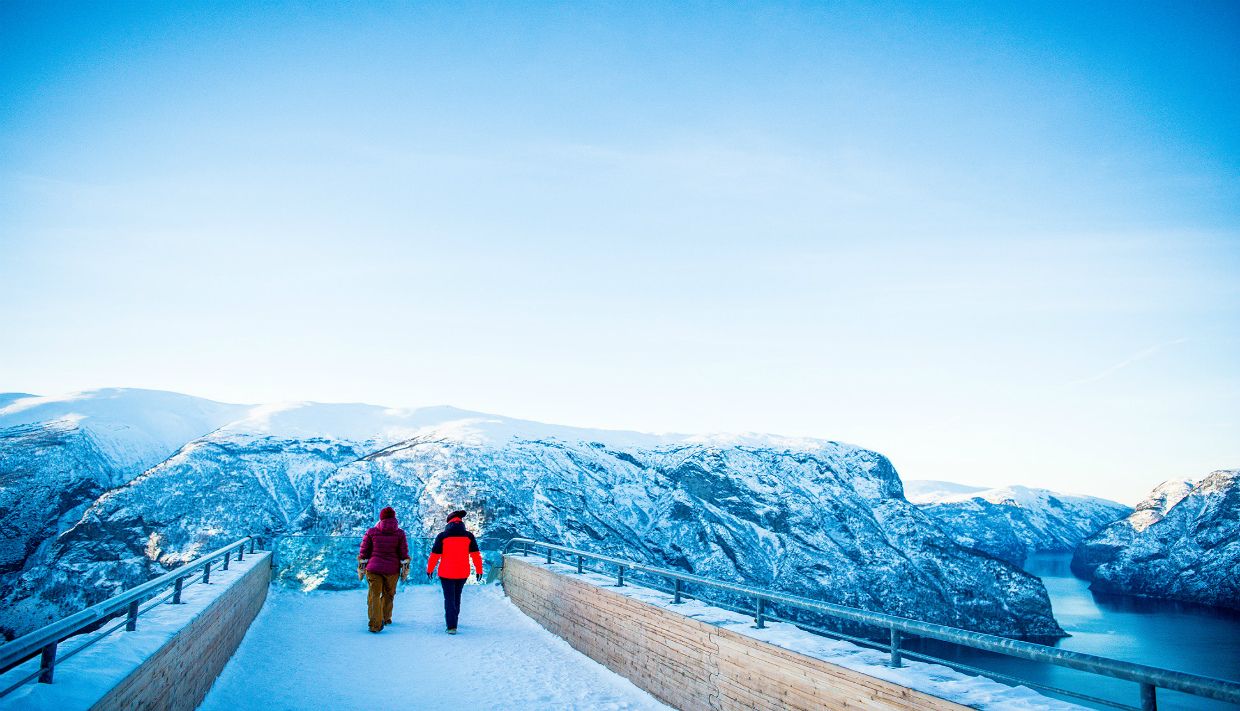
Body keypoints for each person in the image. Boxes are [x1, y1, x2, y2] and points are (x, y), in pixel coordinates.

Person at [426, 509, 483, 634]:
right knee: (457, 597)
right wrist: (479, 570)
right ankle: (454, 621)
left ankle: (451, 626)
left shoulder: (442, 536)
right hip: (462, 572)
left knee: (449, 598)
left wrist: (430, 569)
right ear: (461, 522)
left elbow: (434, 555)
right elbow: (475, 555)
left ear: (449, 523)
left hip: (446, 573)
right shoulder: (468, 536)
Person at [358, 506, 410, 633]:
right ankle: (386, 618)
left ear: (380, 518)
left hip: (373, 569)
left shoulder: (371, 532)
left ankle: (375, 624)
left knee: (374, 596)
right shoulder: (400, 533)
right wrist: (404, 565)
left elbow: (364, 552)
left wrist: (362, 565)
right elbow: (403, 553)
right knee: (389, 594)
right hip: (392, 570)